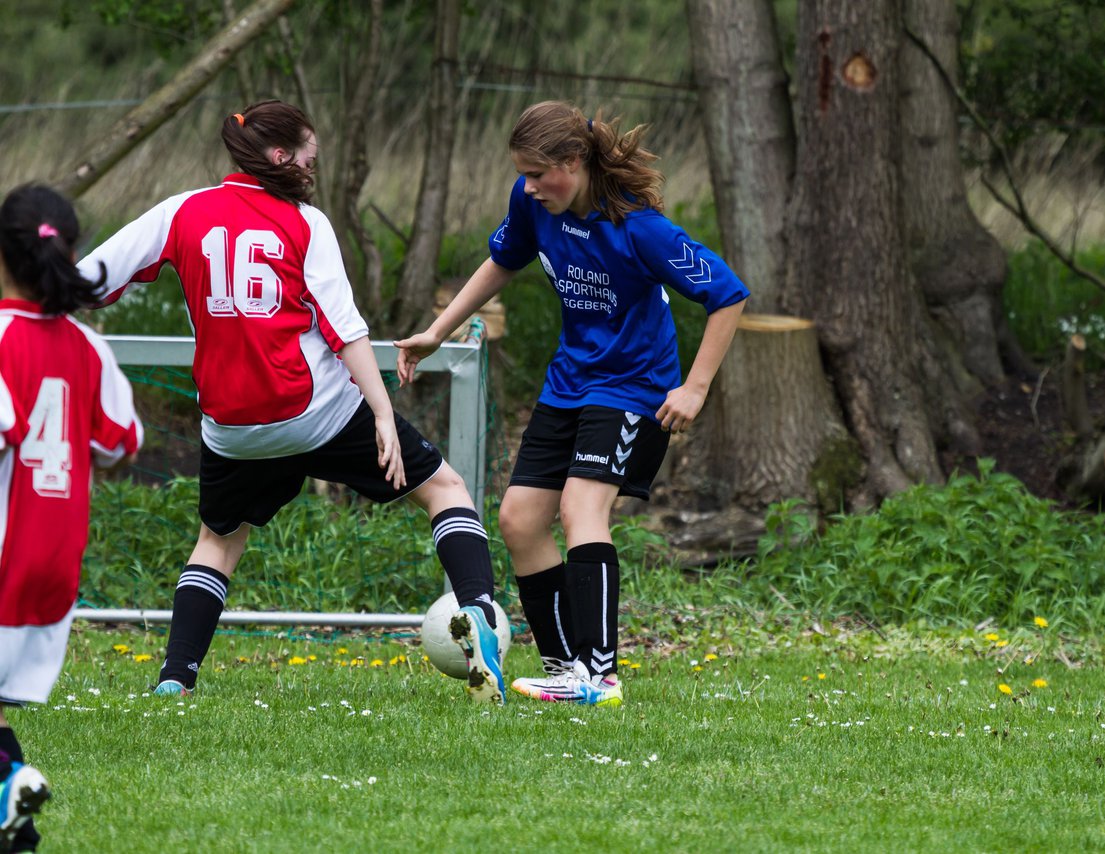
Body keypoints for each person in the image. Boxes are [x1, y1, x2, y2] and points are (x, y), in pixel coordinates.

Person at [77, 100, 505, 705]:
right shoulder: (306, 222)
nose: (312, 166)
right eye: (308, 155)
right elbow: (344, 328)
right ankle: (481, 615)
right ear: (280, 157)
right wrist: (381, 411)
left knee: (218, 540)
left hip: (233, 427)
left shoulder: (181, 211)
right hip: (318, 413)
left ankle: (176, 677)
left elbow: (90, 279)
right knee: (444, 488)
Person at [395, 101, 749, 707]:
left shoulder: (641, 228)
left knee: (583, 510)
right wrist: (439, 330)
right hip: (570, 382)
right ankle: (564, 669)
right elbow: (503, 261)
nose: (529, 187)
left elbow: (727, 294)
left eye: (539, 174)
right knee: (519, 519)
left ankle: (601, 676)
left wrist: (693, 388)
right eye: (523, 175)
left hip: (635, 387)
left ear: (575, 161)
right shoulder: (533, 204)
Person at [0, 184, 144, 852]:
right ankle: (15, 812)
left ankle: (7, 782)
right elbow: (117, 446)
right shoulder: (89, 349)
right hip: (50, 573)